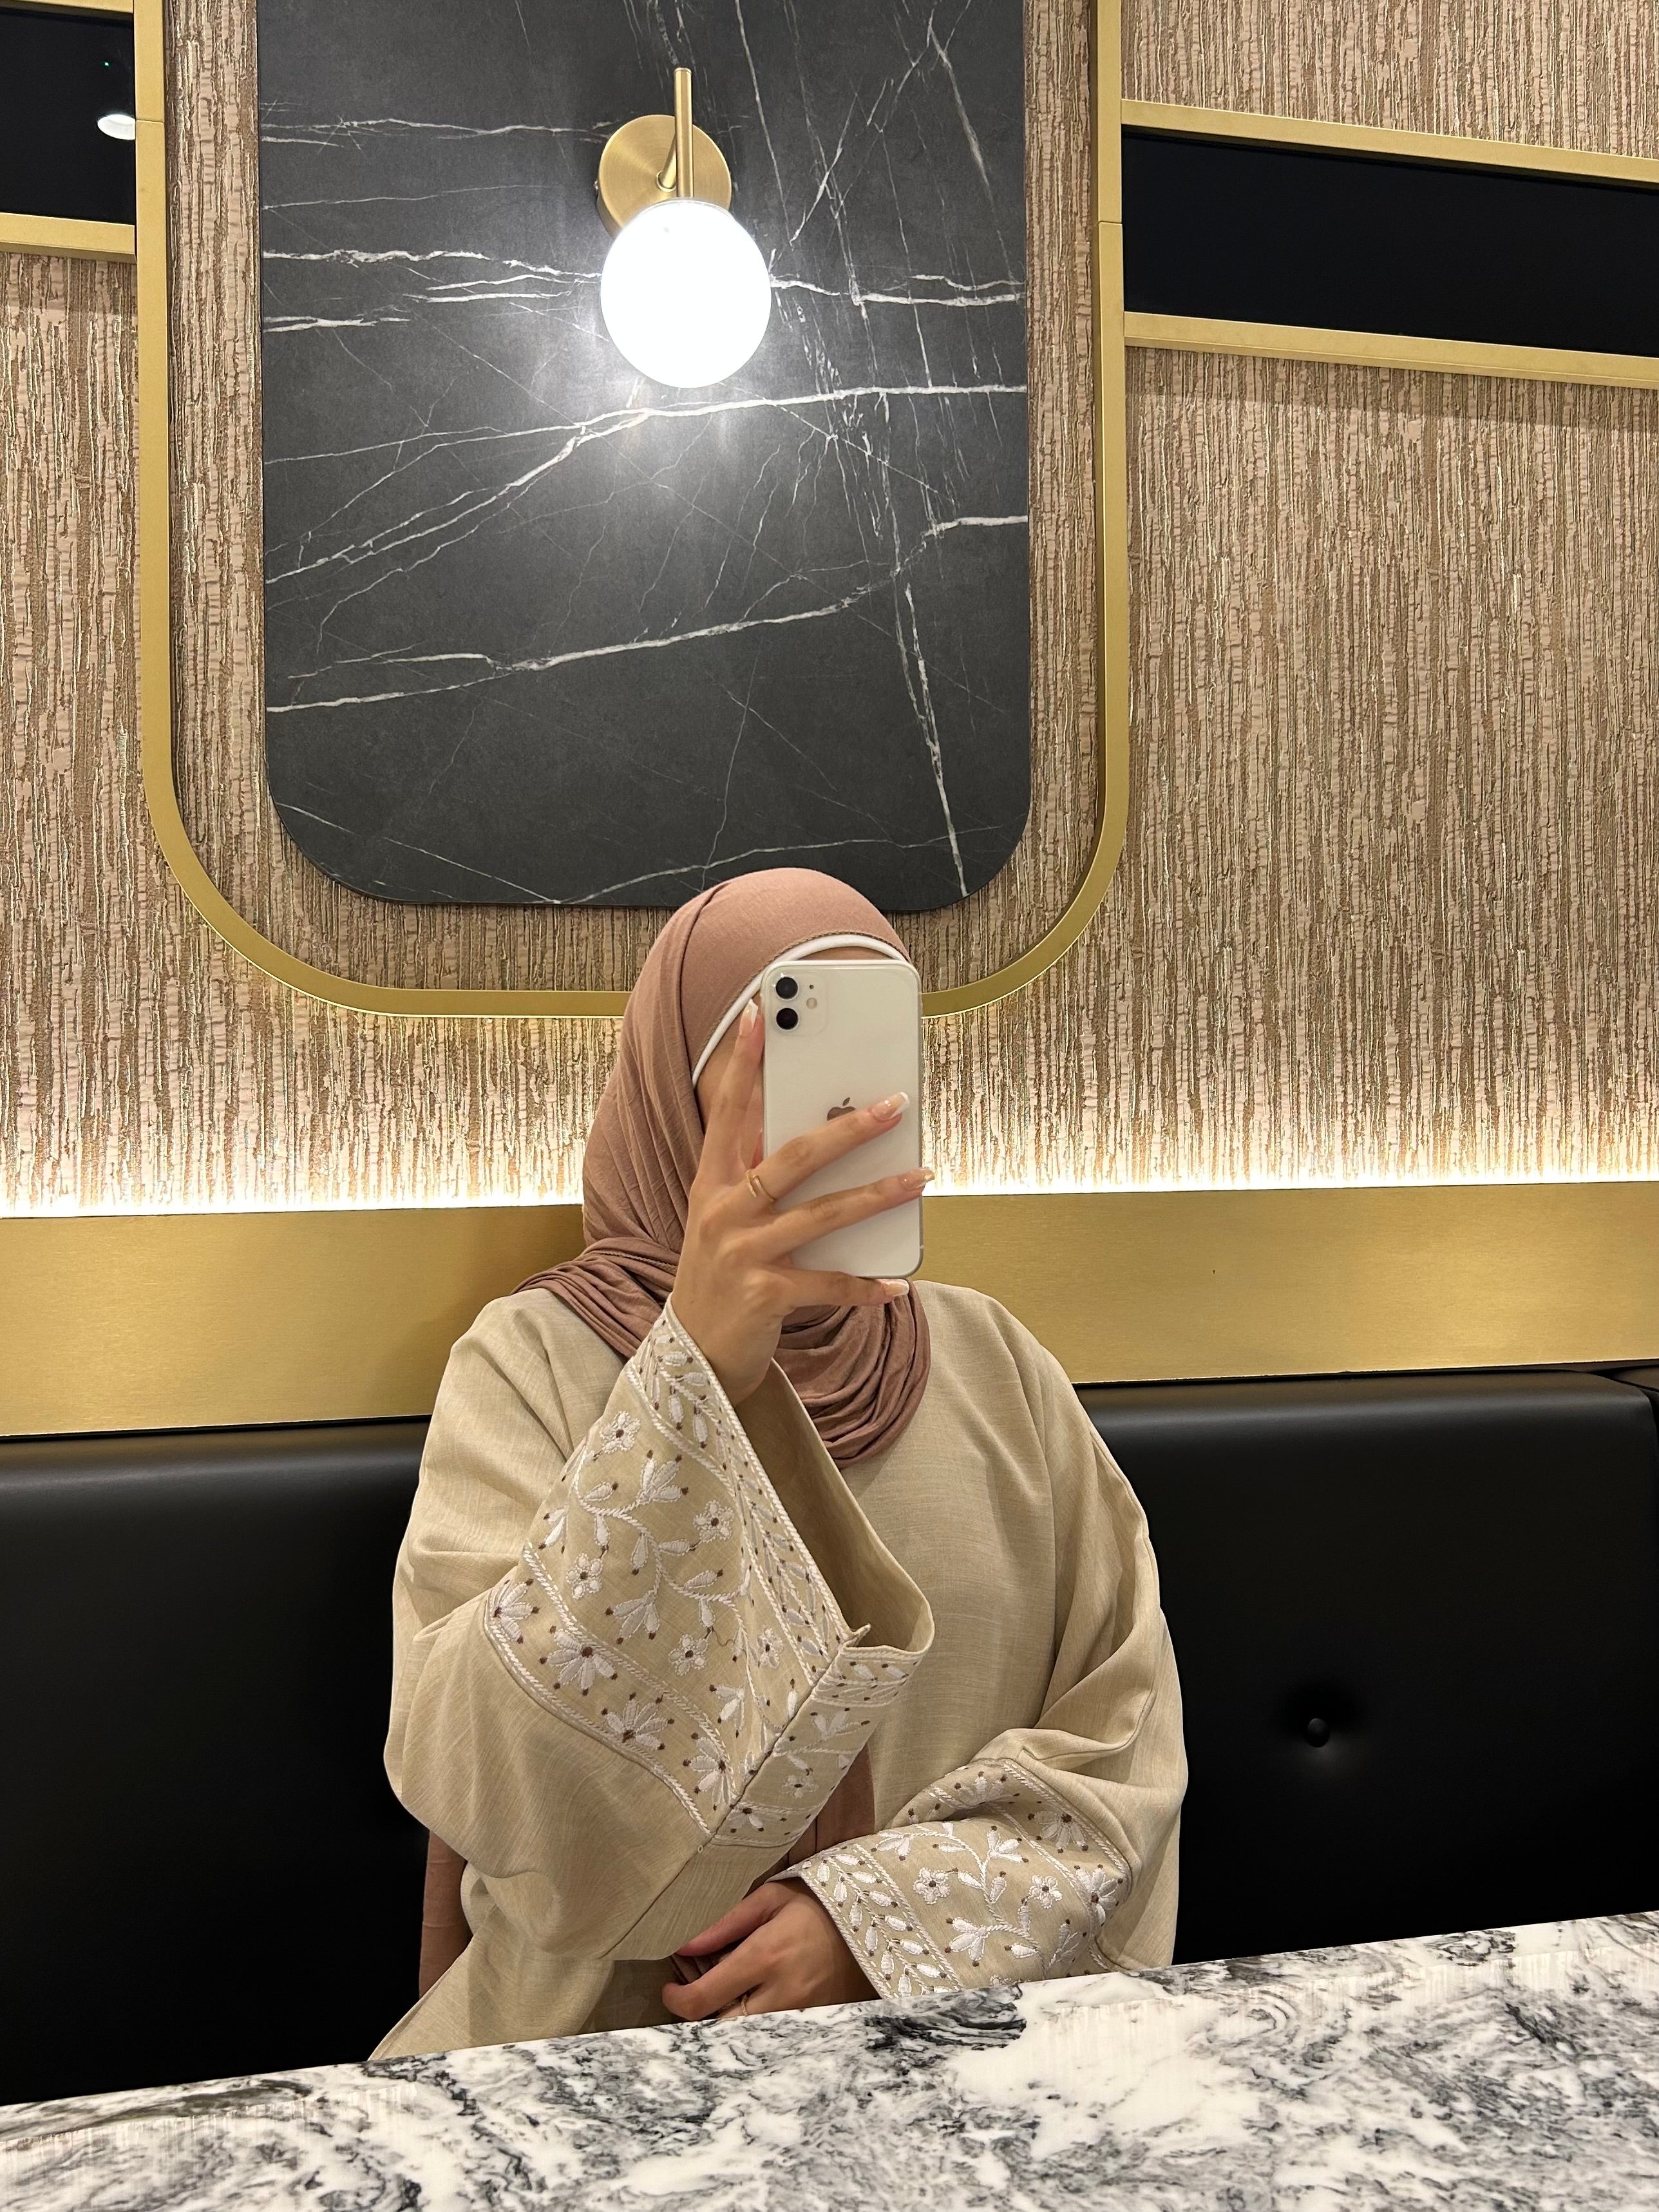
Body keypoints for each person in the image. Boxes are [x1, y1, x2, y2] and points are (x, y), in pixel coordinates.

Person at [375, 869, 1184, 2056]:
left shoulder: (995, 1366)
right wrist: (692, 1370)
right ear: (676, 1091)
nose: (837, 1107)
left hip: (950, 2046)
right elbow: (483, 1767)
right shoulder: (533, 1362)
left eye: (874, 1054)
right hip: (605, 2059)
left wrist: (873, 1924)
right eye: (784, 1052)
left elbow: (1122, 1728)